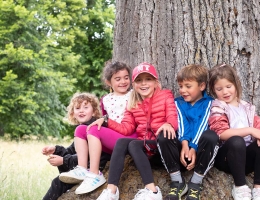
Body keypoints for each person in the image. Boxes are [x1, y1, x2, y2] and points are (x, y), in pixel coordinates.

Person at [95, 62, 178, 200]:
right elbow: (126, 129)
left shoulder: (165, 95)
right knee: (122, 141)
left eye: (148, 79)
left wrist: (169, 124)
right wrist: (106, 121)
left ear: (155, 82)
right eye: (139, 80)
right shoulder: (133, 102)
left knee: (134, 144)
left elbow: (172, 115)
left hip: (163, 146)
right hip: (145, 148)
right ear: (134, 84)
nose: (143, 84)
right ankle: (111, 191)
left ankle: (153, 191)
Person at [59, 61, 137, 195]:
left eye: (126, 77)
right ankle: (83, 168)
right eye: (117, 79)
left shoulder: (133, 95)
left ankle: (95, 174)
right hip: (112, 138)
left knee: (93, 129)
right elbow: (103, 120)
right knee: (81, 129)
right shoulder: (105, 99)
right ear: (108, 82)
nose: (123, 81)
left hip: (128, 138)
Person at [208, 64, 260, 200]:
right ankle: (240, 187)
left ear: (236, 85)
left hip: (245, 160)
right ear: (214, 90)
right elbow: (221, 133)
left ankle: (259, 189)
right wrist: (249, 130)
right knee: (236, 141)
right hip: (227, 158)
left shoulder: (246, 107)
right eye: (219, 89)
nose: (225, 92)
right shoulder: (218, 107)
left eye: (228, 87)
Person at [158, 64, 219, 200]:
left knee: (211, 136)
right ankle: (178, 182)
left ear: (202, 86)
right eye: (180, 86)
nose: (183, 90)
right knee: (164, 136)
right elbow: (181, 124)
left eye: (188, 86)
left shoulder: (210, 103)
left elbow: (203, 124)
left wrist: (193, 148)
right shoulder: (177, 103)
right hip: (181, 149)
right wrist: (185, 145)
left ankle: (196, 183)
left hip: (201, 152)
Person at [42, 92, 111, 200]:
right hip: (85, 167)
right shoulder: (81, 130)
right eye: (78, 108)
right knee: (59, 181)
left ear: (94, 112)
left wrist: (63, 161)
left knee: (58, 182)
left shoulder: (94, 129)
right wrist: (56, 149)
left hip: (96, 167)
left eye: (86, 107)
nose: (81, 110)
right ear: (73, 113)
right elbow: (72, 150)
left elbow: (88, 156)